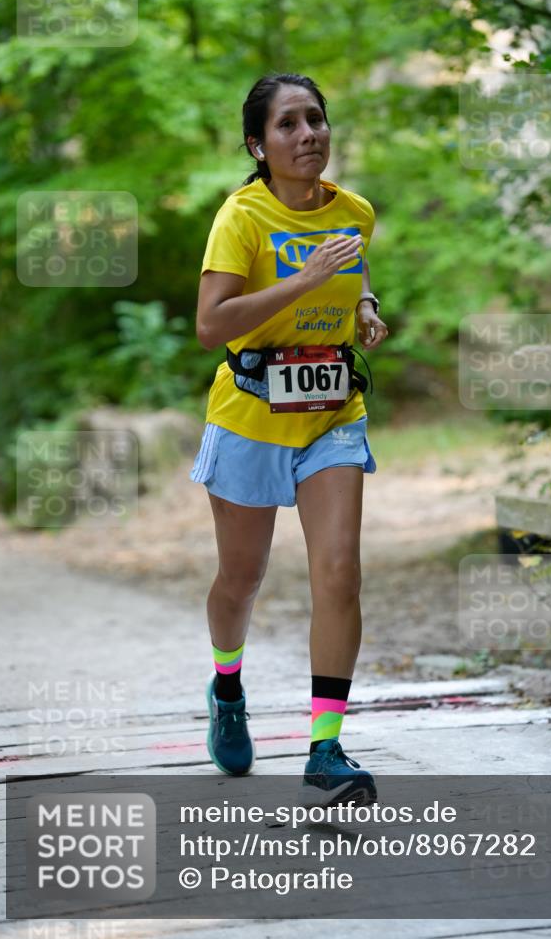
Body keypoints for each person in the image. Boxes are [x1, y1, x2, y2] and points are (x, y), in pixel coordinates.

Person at [190, 72, 388, 807]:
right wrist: (306, 281)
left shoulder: (354, 212)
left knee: (339, 570)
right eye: (288, 125)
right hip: (248, 416)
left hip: (332, 413)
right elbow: (212, 324)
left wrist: (362, 305)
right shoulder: (240, 217)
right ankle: (228, 682)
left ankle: (325, 747)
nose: (308, 135)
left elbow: (353, 265)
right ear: (258, 144)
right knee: (240, 578)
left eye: (316, 120)